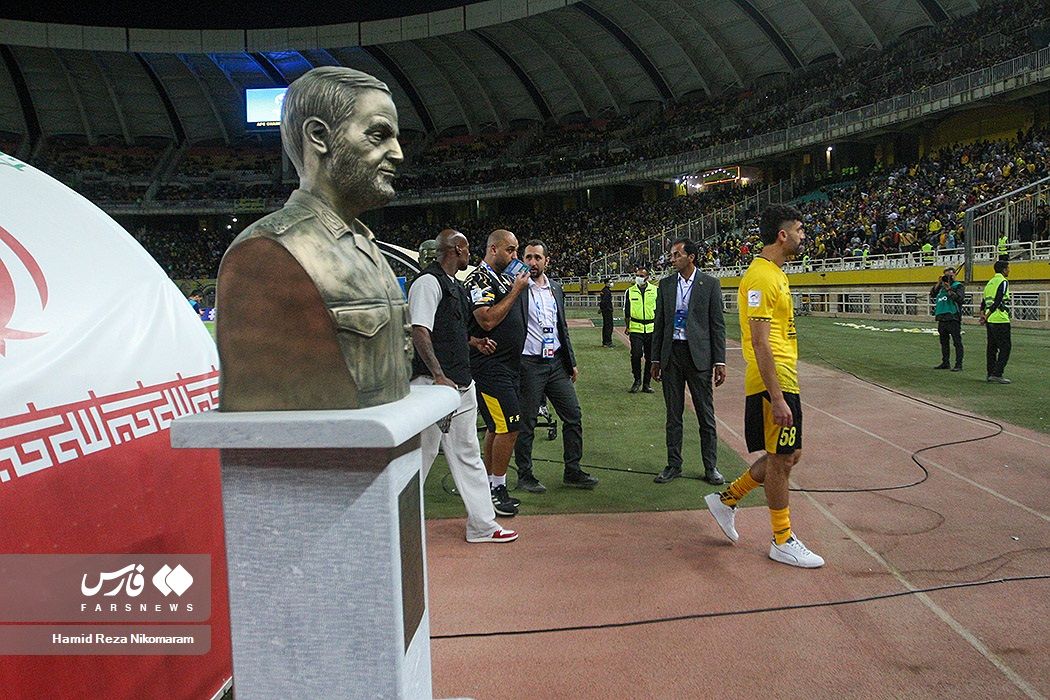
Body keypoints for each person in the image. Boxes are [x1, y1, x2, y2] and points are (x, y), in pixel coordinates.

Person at [215, 67, 411, 411]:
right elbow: (258, 417)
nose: (397, 153)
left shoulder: (367, 246)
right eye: (378, 135)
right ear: (319, 136)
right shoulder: (265, 252)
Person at [705, 204, 825, 569]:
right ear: (782, 235)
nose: (804, 236)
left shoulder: (775, 273)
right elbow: (759, 342)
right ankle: (782, 539)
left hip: (784, 375)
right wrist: (776, 396)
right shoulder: (761, 277)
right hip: (773, 380)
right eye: (800, 230)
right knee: (781, 458)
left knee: (788, 455)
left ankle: (727, 499)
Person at [408, 229, 518, 543]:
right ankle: (392, 520)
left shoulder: (454, 285)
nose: (470, 253)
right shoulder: (428, 283)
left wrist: (473, 342)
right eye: (467, 248)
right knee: (421, 454)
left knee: (467, 453)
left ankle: (482, 525)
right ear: (457, 249)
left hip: (460, 384)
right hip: (434, 387)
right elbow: (420, 331)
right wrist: (438, 375)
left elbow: (449, 330)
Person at [513, 240, 598, 494]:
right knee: (526, 422)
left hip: (557, 363)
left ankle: (572, 470)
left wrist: (571, 362)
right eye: (528, 257)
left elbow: (562, 328)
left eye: (537, 257)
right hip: (528, 364)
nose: (532, 262)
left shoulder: (556, 289)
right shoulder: (517, 288)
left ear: (546, 261)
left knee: (573, 415)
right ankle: (525, 475)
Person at [650, 238, 726, 486]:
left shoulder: (710, 284)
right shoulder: (666, 285)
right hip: (672, 355)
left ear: (691, 257)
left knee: (706, 415)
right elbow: (660, 323)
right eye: (671, 255)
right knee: (673, 415)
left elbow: (717, 325)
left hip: (699, 357)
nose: (672, 259)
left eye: (676, 255)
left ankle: (710, 466)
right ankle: (674, 464)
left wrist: (720, 361)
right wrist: (655, 359)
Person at [465, 229, 530, 516]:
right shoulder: (479, 279)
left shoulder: (502, 278)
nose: (515, 256)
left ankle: (489, 484)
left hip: (508, 367)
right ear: (493, 249)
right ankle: (497, 489)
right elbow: (487, 320)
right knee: (510, 426)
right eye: (510, 250)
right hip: (491, 368)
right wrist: (516, 291)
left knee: (497, 426)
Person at [624, 266, 657, 393]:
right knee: (636, 354)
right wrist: (628, 326)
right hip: (636, 328)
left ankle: (647, 384)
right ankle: (637, 380)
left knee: (650, 357)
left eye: (641, 276)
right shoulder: (630, 291)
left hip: (651, 328)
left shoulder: (655, 290)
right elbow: (627, 311)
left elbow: (659, 310)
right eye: (637, 275)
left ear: (647, 277)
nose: (638, 278)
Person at [980, 259, 1012, 384]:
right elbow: (998, 300)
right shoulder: (1003, 281)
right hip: (1000, 319)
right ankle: (997, 373)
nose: (1009, 270)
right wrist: (986, 315)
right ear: (1004, 270)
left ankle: (990, 373)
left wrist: (983, 315)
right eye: (1008, 268)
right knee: (1005, 348)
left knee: (991, 348)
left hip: (990, 321)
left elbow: (983, 301)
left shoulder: (990, 282)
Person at [930, 266, 965, 371]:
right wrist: (939, 283)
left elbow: (959, 299)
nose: (948, 278)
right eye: (946, 276)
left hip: (953, 316)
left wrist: (949, 289)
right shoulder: (941, 287)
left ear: (954, 275)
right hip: (942, 317)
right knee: (944, 342)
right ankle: (945, 362)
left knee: (957, 342)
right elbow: (932, 294)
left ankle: (958, 364)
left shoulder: (958, 286)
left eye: (950, 275)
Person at [599, 280, 614, 347]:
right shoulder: (607, 291)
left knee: (606, 326)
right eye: (609, 282)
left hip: (605, 310)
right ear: (606, 283)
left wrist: (601, 308)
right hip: (607, 310)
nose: (611, 283)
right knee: (609, 326)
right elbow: (605, 301)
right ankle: (608, 342)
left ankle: (605, 342)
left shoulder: (604, 290)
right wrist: (602, 308)